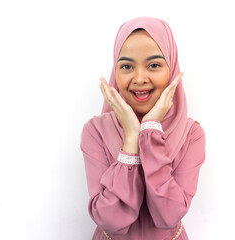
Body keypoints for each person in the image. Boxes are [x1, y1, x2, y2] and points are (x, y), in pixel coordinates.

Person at [80, 16, 206, 240]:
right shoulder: (95, 131)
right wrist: (131, 139)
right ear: (115, 72)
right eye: (127, 66)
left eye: (154, 65)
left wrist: (149, 131)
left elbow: (168, 216)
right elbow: (110, 221)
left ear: (172, 68)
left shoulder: (191, 135)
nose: (139, 78)